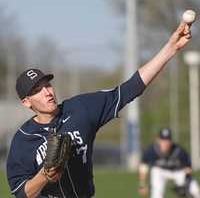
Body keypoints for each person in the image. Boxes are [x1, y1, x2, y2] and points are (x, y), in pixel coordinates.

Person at [6, 21, 192, 198]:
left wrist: (171, 47)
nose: (47, 92)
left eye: (47, 85)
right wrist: (44, 176)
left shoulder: (80, 109)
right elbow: (22, 193)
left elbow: (130, 88)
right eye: (37, 90)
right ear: (26, 102)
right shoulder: (23, 140)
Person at [138, 127, 200, 198]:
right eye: (163, 140)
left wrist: (185, 183)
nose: (165, 143)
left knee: (196, 190)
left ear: (171, 140)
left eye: (167, 140)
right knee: (156, 193)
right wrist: (142, 184)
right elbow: (143, 166)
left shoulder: (179, 151)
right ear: (158, 140)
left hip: (178, 172)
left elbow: (188, 167)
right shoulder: (151, 151)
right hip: (160, 172)